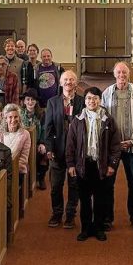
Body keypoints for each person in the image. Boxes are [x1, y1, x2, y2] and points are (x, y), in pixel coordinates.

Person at [66, 86, 122, 242]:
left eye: (95, 98)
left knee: (100, 199)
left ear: (100, 100)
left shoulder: (108, 120)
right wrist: (71, 164)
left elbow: (115, 146)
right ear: (85, 101)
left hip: (100, 165)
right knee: (84, 200)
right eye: (89, 98)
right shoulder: (77, 120)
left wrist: (112, 165)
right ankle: (85, 229)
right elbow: (70, 145)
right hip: (83, 165)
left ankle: (98, 228)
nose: (92, 101)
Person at [101, 61, 133, 231]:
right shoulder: (107, 94)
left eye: (124, 73)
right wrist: (111, 143)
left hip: (130, 146)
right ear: (114, 75)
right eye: (119, 73)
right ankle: (107, 218)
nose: (121, 76)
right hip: (112, 148)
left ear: (128, 75)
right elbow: (103, 120)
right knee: (108, 183)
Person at [44, 70, 83, 229]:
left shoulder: (82, 101)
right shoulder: (52, 102)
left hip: (76, 151)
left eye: (71, 80)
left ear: (76, 83)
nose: (68, 82)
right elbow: (48, 127)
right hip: (57, 149)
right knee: (56, 186)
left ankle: (71, 215)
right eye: (65, 80)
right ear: (61, 83)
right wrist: (49, 148)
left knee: (74, 185)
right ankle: (57, 213)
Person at [1, 104, 32, 201]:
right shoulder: (0, 134)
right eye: (10, 117)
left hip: (18, 170)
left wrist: (10, 171)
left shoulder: (25, 134)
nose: (13, 120)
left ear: (19, 118)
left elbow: (24, 158)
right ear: (5, 118)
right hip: (2, 170)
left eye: (16, 117)